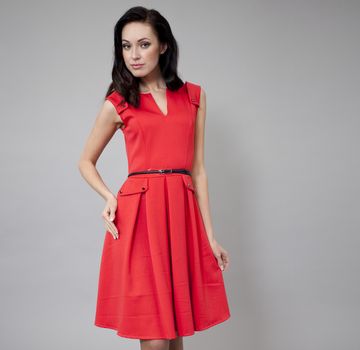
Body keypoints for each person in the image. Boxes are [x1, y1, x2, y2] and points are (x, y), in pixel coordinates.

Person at [78, 6, 231, 350]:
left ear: (163, 46)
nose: (133, 54)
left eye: (143, 44)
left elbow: (198, 170)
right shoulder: (118, 103)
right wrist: (109, 196)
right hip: (140, 217)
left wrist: (210, 236)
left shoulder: (194, 96)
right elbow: (86, 161)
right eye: (126, 45)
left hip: (180, 216)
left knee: (174, 331)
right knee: (156, 335)